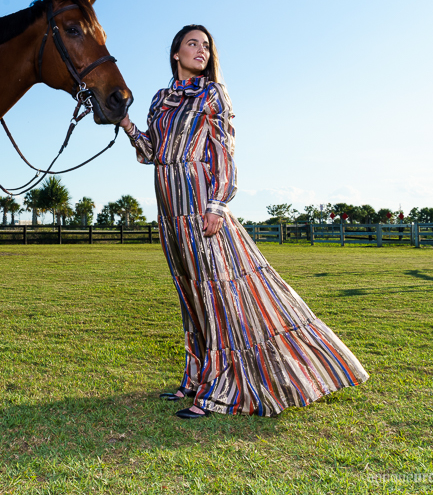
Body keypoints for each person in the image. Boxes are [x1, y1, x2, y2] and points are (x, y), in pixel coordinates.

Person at [119, 24, 368, 418]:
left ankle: (220, 391)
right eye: (192, 44)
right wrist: (126, 124)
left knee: (217, 294)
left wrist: (218, 203)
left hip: (202, 206)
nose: (201, 50)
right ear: (175, 53)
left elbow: (225, 151)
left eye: (206, 46)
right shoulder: (159, 99)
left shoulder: (213, 93)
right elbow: (152, 151)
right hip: (169, 212)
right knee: (191, 294)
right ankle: (196, 378)